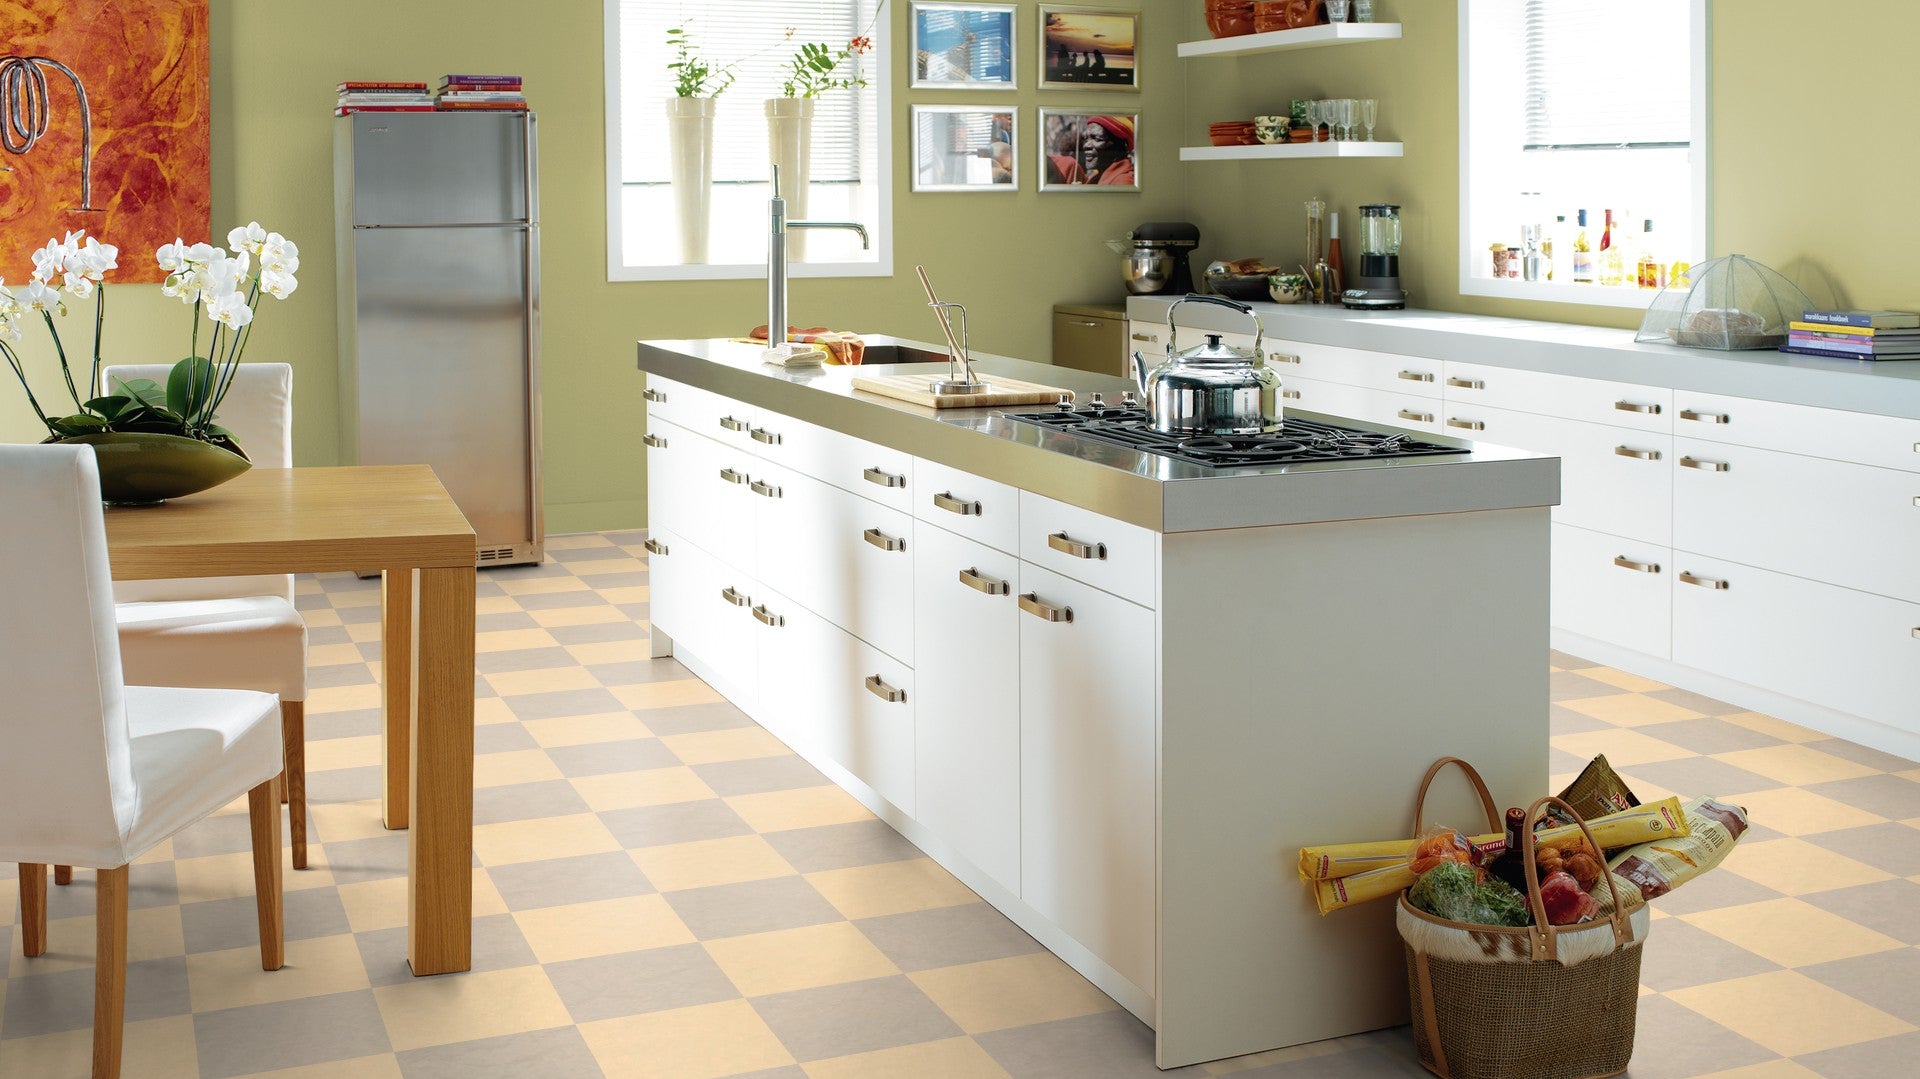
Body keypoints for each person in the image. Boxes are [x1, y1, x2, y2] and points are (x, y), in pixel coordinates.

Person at [1079, 115, 1134, 186]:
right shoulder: (1096, 176)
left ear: (1120, 145)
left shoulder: (1124, 181)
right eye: (1086, 139)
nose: (1086, 145)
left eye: (1097, 139)